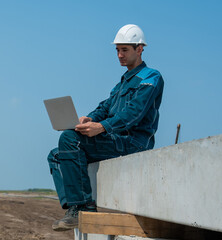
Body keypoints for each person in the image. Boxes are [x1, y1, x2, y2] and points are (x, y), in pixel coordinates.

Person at [47, 24, 164, 231]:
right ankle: (76, 206)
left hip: (133, 143)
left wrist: (101, 127)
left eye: (125, 50)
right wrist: (87, 119)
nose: (119, 54)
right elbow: (105, 107)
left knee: (69, 139)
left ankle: (82, 207)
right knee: (56, 155)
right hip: (113, 141)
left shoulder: (151, 77)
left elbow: (133, 113)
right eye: (117, 50)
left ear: (140, 49)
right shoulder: (120, 85)